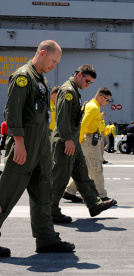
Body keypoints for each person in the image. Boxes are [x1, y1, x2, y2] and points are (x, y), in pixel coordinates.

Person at [0, 40, 75, 257]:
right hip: (25, 144)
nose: (55, 65)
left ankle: (46, 238)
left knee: (44, 191)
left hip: (40, 144)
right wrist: (20, 144)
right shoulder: (23, 76)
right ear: (42, 53)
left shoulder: (40, 77)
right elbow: (12, 112)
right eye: (53, 61)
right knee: (6, 194)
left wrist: (45, 146)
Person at [51, 64, 115, 224]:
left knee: (82, 173)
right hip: (66, 141)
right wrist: (68, 140)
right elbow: (62, 118)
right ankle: (51, 211)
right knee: (60, 177)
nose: (88, 85)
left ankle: (94, 204)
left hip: (73, 140)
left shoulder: (74, 91)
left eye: (91, 83)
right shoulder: (68, 91)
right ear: (79, 74)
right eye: (87, 81)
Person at [63, 87, 117, 205]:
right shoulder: (93, 107)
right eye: (107, 100)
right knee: (96, 167)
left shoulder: (94, 106)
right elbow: (83, 125)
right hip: (89, 140)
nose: (107, 103)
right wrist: (79, 141)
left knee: (88, 168)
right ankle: (101, 196)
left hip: (90, 140)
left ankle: (70, 191)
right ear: (101, 97)